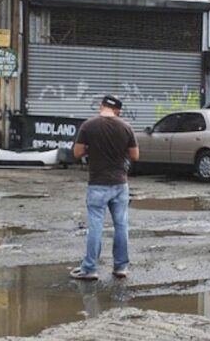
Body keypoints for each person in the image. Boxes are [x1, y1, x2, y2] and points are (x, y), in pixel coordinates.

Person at [69, 94, 139, 280]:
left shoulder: (89, 125)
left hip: (98, 184)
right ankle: (121, 267)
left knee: (96, 227)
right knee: (121, 225)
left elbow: (76, 152)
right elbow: (135, 155)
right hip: (119, 183)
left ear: (102, 106)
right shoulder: (125, 127)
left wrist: (91, 148)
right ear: (117, 110)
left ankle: (90, 269)